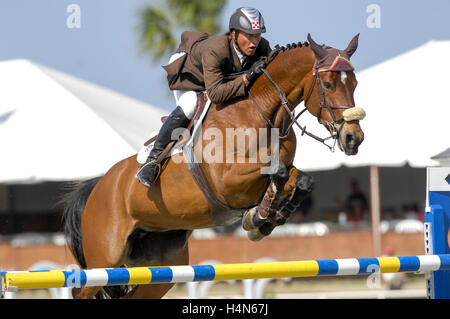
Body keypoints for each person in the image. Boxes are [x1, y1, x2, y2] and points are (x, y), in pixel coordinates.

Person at [136, 7, 272, 188]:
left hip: (215, 77)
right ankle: (152, 159)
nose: (254, 41)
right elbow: (215, 94)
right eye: (249, 35)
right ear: (234, 34)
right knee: (191, 104)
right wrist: (246, 78)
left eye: (257, 35)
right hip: (189, 72)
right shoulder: (215, 51)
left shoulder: (262, 46)